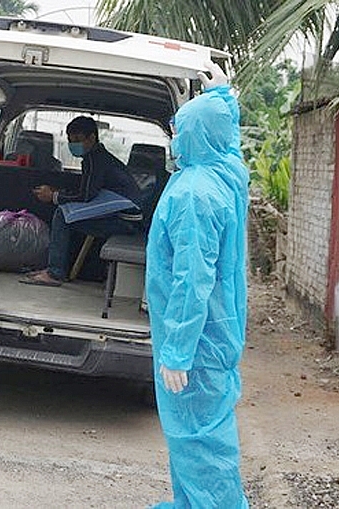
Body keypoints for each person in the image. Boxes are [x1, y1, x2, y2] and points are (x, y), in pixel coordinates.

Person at [145, 61, 250, 508]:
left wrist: (178, 350)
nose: (173, 135)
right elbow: (230, 136)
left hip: (198, 339)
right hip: (217, 330)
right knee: (189, 439)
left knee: (202, 441)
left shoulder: (193, 195)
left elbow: (193, 280)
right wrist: (224, 95)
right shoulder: (225, 170)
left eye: (178, 127)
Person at [21, 116, 141, 287]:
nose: (73, 145)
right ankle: (54, 269)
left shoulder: (95, 160)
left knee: (62, 215)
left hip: (124, 222)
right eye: (70, 140)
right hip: (128, 218)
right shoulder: (100, 158)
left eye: (77, 140)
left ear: (92, 138)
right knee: (65, 211)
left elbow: (86, 196)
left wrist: (54, 197)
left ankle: (55, 273)